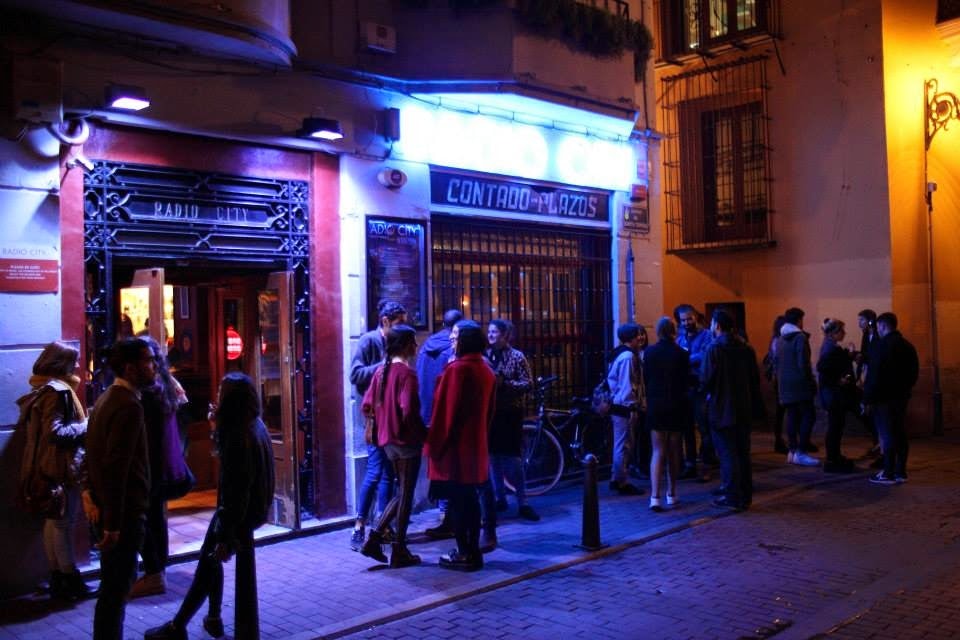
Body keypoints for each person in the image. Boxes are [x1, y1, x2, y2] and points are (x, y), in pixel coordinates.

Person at [146, 372, 274, 640]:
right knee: (210, 561)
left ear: (229, 399)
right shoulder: (253, 423)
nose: (216, 396)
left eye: (220, 392)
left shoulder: (238, 434)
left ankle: (177, 626)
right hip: (249, 508)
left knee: (207, 564)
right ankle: (212, 617)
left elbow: (237, 487)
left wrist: (226, 534)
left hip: (239, 513)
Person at [82, 337, 156, 640]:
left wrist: (89, 492)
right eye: (148, 361)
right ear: (130, 367)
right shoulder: (128, 406)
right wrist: (113, 524)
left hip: (110, 511)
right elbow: (116, 467)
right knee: (116, 591)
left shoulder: (106, 398)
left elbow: (92, 453)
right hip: (123, 517)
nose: (153, 367)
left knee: (111, 589)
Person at [15, 341, 91, 600]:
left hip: (45, 466)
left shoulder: (41, 388)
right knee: (63, 524)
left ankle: (59, 577)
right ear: (62, 365)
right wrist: (88, 425)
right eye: (75, 361)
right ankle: (69, 579)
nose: (79, 365)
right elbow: (55, 433)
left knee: (54, 522)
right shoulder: (58, 392)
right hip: (60, 467)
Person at [425, 320, 496, 571]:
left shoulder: (457, 370)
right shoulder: (485, 368)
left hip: (456, 450)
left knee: (458, 503)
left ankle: (465, 552)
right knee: (470, 501)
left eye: (455, 336)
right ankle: (472, 551)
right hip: (475, 446)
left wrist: (435, 445)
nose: (452, 340)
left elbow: (447, 413)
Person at [359, 325, 428, 568]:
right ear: (407, 345)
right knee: (405, 495)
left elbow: (366, 405)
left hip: (386, 441)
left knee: (402, 493)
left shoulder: (380, 372)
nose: (416, 347)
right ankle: (396, 548)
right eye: (414, 342)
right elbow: (408, 409)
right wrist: (423, 432)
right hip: (406, 440)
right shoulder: (406, 374)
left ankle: (376, 539)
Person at [130, 338, 192, 598]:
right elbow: (184, 419)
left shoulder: (148, 390)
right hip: (167, 459)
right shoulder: (169, 383)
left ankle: (154, 572)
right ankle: (158, 570)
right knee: (158, 517)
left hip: (151, 462)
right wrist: (179, 451)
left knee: (145, 518)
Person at [347, 300, 406, 550]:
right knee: (374, 471)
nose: (403, 328)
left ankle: (382, 524)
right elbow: (355, 374)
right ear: (385, 322)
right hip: (374, 418)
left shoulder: (395, 344)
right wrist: (383, 367)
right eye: (399, 323)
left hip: (389, 417)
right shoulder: (368, 341)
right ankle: (359, 525)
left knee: (387, 475)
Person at [701, 310, 763, 511]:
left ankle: (731, 495)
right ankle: (745, 494)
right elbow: (755, 380)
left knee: (727, 453)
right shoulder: (746, 349)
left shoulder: (714, 349)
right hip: (743, 408)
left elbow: (706, 379)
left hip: (721, 408)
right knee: (742, 452)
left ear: (717, 325)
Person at [485, 319, 538, 522]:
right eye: (489, 331)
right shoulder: (486, 355)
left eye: (494, 332)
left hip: (510, 413)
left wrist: (505, 384)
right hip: (491, 414)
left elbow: (528, 383)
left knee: (513, 460)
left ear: (505, 335)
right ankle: (500, 497)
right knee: (493, 457)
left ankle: (522, 501)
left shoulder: (517, 356)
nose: (490, 335)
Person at [416, 309, 462, 540]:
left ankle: (445, 514)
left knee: (438, 467)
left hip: (426, 416)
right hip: (443, 416)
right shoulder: (453, 352)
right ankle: (448, 516)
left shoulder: (426, 346)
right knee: (451, 467)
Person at [863, 312, 919, 485]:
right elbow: (914, 372)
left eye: (878, 326)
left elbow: (874, 375)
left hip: (883, 398)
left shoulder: (881, 347)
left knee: (886, 434)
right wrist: (905, 389)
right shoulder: (908, 346)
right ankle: (900, 471)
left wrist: (867, 399)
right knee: (899, 432)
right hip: (901, 397)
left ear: (882, 326)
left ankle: (888, 472)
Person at [642, 318, 689, 512]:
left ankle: (654, 496)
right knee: (673, 451)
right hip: (677, 404)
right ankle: (672, 493)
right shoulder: (681, 353)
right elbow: (686, 379)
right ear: (673, 331)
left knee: (657, 450)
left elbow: (646, 378)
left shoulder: (650, 353)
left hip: (656, 404)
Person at [674, 304, 716, 479]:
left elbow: (705, 356)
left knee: (705, 427)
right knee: (687, 429)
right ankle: (690, 463)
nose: (686, 323)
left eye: (689, 319)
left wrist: (685, 359)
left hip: (700, 388)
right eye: (683, 320)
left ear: (696, 317)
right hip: (685, 389)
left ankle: (707, 464)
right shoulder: (680, 338)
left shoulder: (707, 336)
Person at [775, 307, 819, 467]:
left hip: (784, 384)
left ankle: (792, 451)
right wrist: (811, 382)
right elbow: (803, 363)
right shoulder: (800, 338)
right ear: (799, 320)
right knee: (809, 415)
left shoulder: (780, 338)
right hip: (799, 384)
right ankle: (801, 451)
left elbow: (776, 362)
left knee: (792, 416)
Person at [607, 323, 645, 496]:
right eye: (638, 335)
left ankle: (616, 477)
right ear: (631, 337)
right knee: (624, 445)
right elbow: (627, 385)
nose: (641, 337)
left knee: (620, 444)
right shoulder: (628, 357)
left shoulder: (619, 353)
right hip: (624, 407)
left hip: (618, 405)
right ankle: (621, 482)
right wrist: (633, 405)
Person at [816, 318, 858, 473]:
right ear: (834, 333)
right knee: (835, 427)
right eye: (842, 330)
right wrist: (838, 381)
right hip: (833, 395)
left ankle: (835, 456)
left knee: (836, 426)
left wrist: (848, 355)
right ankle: (833, 457)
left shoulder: (830, 346)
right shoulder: (830, 348)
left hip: (832, 394)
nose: (844, 333)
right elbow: (823, 367)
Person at [763, 315, 788, 454]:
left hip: (777, 379)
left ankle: (779, 440)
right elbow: (779, 360)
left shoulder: (775, 340)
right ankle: (779, 441)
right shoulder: (779, 341)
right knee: (780, 412)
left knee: (781, 411)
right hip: (780, 380)